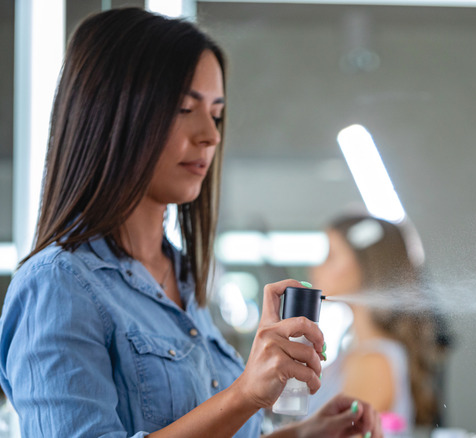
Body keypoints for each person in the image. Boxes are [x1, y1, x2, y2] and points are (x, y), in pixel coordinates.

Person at [0, 8, 381, 438]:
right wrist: (243, 395)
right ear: (111, 115)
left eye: (216, 114)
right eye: (184, 108)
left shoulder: (181, 277)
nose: (210, 135)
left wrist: (303, 435)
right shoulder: (57, 286)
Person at [306, 214, 450, 433]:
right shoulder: (361, 355)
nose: (316, 268)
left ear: (366, 264)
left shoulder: (373, 363)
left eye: (331, 256)